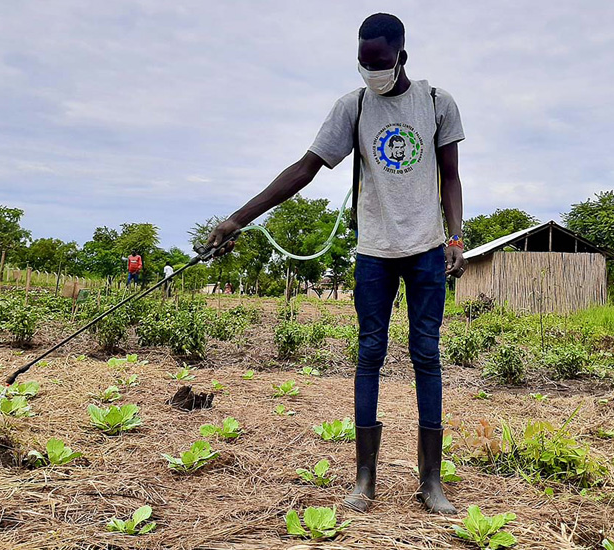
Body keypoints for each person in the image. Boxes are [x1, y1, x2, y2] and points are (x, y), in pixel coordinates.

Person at [203, 12, 465, 515]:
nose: (371, 71)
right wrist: (238, 219)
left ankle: (431, 481)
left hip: (427, 250)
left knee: (426, 355)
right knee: (369, 354)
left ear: (401, 57)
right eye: (363, 63)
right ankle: (364, 478)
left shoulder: (437, 102)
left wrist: (455, 237)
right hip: (374, 252)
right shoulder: (354, 106)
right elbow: (305, 168)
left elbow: (450, 177)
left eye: (379, 62)